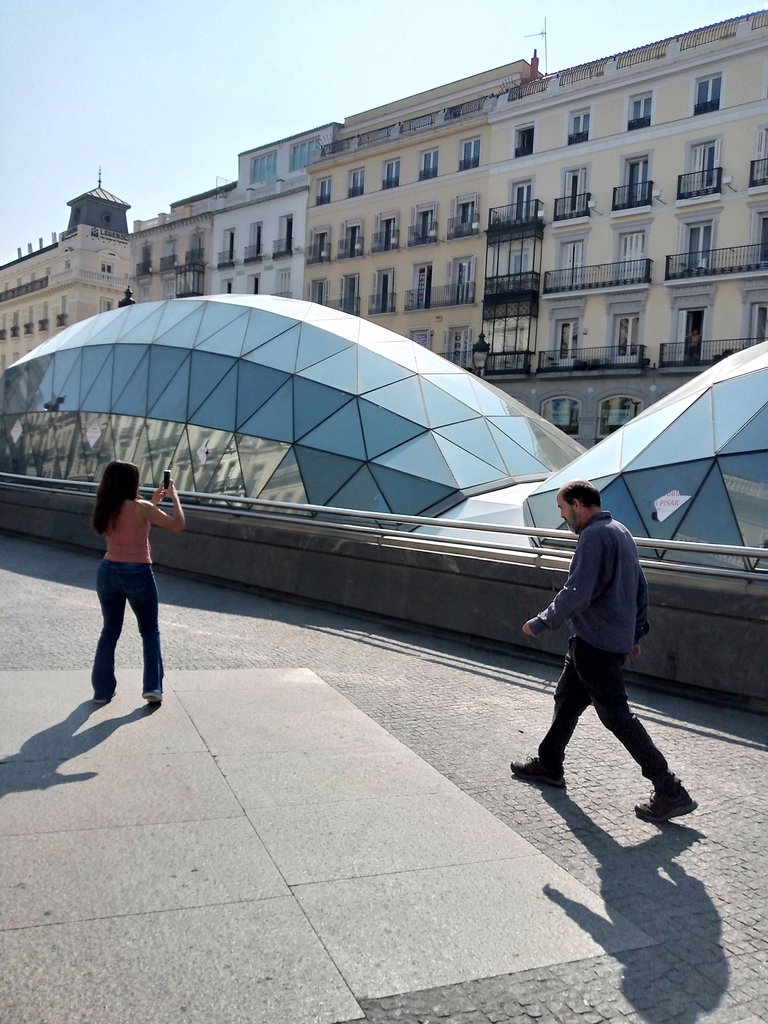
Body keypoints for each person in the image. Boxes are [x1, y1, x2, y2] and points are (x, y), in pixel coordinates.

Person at [510, 479, 697, 823]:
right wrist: (636, 632)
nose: (563, 517)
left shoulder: (593, 536)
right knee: (567, 700)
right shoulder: (620, 531)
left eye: (563, 509)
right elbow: (640, 588)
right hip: (596, 642)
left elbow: (577, 590)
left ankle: (670, 789)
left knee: (617, 717)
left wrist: (541, 621)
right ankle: (550, 764)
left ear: (579, 505)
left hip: (596, 645)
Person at [91, 461, 185, 706]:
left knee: (109, 630)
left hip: (108, 571)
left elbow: (128, 523)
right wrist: (174, 496)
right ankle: (152, 687)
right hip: (137, 572)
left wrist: (153, 503)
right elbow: (178, 524)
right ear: (131, 482)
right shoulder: (140, 507)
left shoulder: (106, 507)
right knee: (149, 631)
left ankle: (101, 691)